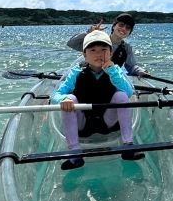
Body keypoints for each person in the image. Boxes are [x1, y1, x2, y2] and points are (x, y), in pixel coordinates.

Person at [52, 30, 144, 170]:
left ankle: (128, 146)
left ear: (110, 53)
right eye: (93, 50)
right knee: (70, 98)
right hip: (83, 123)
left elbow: (129, 92)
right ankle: (75, 154)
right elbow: (56, 95)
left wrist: (111, 70)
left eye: (103, 50)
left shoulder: (115, 70)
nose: (98, 54)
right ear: (85, 55)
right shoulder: (76, 72)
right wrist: (63, 99)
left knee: (121, 95)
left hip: (108, 121)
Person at [66, 13, 148, 77]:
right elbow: (71, 43)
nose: (124, 29)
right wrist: (90, 33)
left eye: (128, 27)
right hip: (85, 77)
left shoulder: (127, 48)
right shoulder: (97, 39)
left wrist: (140, 71)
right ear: (114, 26)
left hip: (108, 82)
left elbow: (131, 66)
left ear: (130, 32)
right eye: (121, 25)